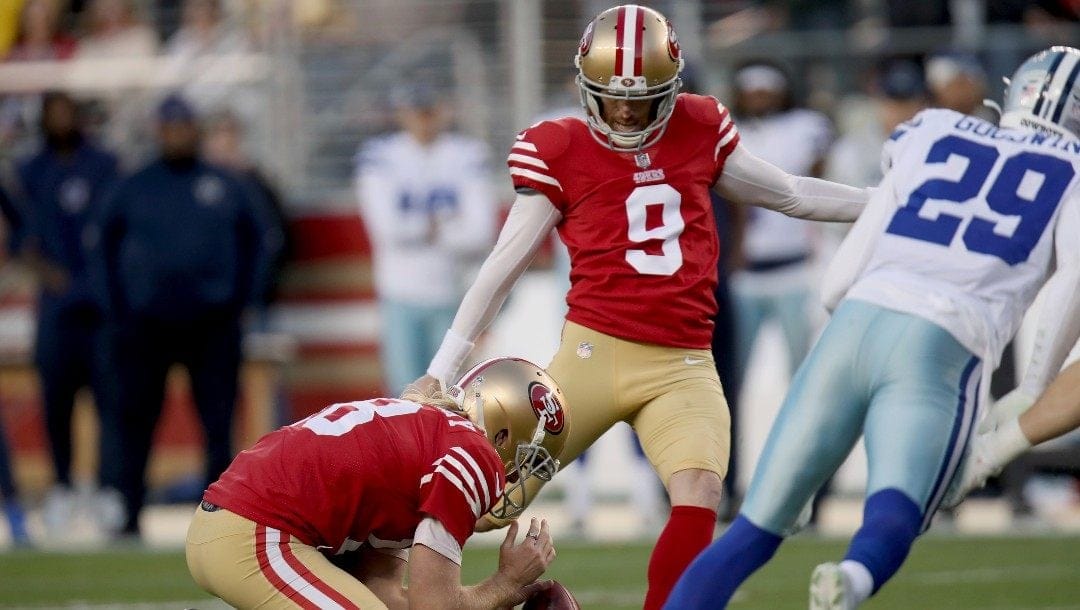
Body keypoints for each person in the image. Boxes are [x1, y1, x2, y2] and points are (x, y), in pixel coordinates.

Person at [414, 6, 870, 608]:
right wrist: (441, 367)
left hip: (683, 362)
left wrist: (885, 202)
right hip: (592, 353)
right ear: (585, 87)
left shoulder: (700, 127)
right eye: (613, 98)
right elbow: (503, 265)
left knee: (701, 490)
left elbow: (789, 193)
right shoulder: (561, 148)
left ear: (673, 89)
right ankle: (374, 584)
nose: (626, 112)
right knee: (480, 494)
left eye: (642, 98)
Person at [666, 45, 1080, 610]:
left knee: (751, 530)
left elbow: (862, 245)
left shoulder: (934, 129)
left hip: (855, 320)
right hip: (945, 338)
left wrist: (841, 328)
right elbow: (1072, 283)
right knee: (899, 509)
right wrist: (1034, 384)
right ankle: (852, 580)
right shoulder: (1074, 169)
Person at [187, 357, 565, 609]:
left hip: (228, 528)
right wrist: (504, 584)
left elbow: (387, 596)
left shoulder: (425, 437)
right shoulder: (475, 454)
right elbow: (432, 606)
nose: (514, 477)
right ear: (502, 434)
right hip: (257, 533)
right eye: (524, 461)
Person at [90, 93, 276, 538]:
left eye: (185, 126)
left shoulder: (225, 182)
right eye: (170, 126)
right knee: (135, 422)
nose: (177, 134)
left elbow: (265, 238)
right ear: (158, 130)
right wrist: (117, 309)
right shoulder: (133, 184)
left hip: (212, 326)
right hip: (144, 327)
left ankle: (215, 522)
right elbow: (100, 246)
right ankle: (128, 516)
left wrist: (247, 300)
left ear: (196, 129)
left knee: (216, 425)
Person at [16, 91, 122, 535]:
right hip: (56, 308)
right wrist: (44, 271)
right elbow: (21, 239)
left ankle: (105, 487)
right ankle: (61, 485)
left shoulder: (104, 164)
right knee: (55, 401)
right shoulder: (27, 170)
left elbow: (118, 228)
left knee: (110, 401)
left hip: (100, 306)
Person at [356, 86, 496, 395]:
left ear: (443, 111)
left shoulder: (466, 154)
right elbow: (386, 229)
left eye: (429, 112)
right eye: (416, 112)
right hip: (400, 291)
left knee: (448, 394)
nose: (424, 120)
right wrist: (440, 223)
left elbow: (480, 231)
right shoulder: (381, 155)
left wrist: (421, 230)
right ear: (402, 114)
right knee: (403, 395)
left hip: (451, 292)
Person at [727, 60, 834, 384]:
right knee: (735, 368)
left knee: (801, 368)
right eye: (752, 92)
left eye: (766, 91)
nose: (759, 98)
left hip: (795, 265)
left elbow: (819, 175)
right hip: (746, 270)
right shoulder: (732, 129)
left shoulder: (804, 125)